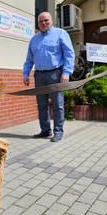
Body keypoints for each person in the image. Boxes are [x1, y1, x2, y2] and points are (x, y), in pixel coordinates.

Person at [23, 12, 74, 142]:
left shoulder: (61, 33)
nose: (43, 23)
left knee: (58, 104)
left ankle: (58, 131)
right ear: (38, 24)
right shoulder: (34, 39)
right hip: (39, 75)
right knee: (41, 105)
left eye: (46, 20)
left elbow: (69, 54)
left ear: (51, 21)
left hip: (56, 73)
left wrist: (66, 72)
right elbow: (29, 59)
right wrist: (26, 74)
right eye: (41, 21)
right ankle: (45, 130)